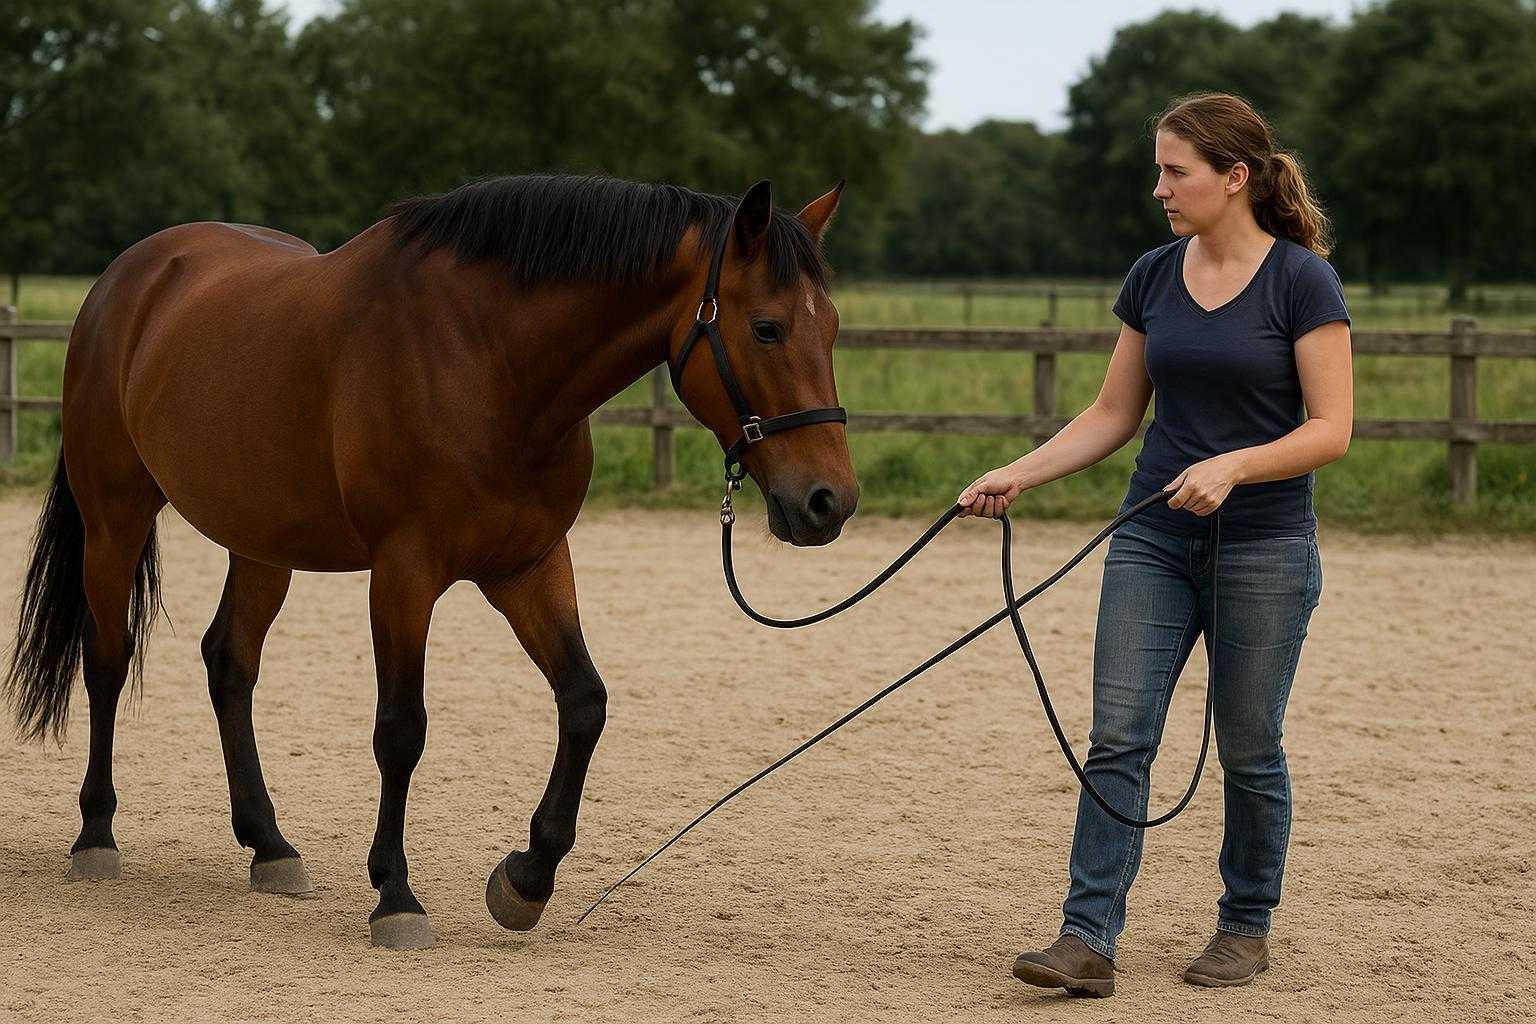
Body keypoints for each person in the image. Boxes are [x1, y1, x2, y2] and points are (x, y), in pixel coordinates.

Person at [956, 92, 1353, 996]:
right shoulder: (1154, 275)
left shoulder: (1302, 282)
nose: (1160, 189)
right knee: (1119, 736)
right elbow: (1112, 413)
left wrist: (1236, 467)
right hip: (1153, 542)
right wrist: (1019, 473)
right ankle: (1086, 937)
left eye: (1177, 172)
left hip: (1265, 547)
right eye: (1160, 170)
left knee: (1249, 747)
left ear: (1235, 177)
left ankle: (1245, 926)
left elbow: (1331, 430)